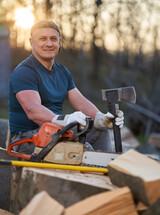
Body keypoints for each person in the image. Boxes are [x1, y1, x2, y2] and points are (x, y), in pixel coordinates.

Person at [9, 20, 124, 154]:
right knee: (84, 150)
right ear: (31, 42)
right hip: (27, 139)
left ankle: (106, 169)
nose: (49, 43)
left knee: (100, 132)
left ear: (59, 42)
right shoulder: (24, 72)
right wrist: (65, 120)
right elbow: (33, 110)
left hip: (56, 131)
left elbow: (80, 102)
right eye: (42, 39)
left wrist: (101, 118)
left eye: (53, 39)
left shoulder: (62, 72)